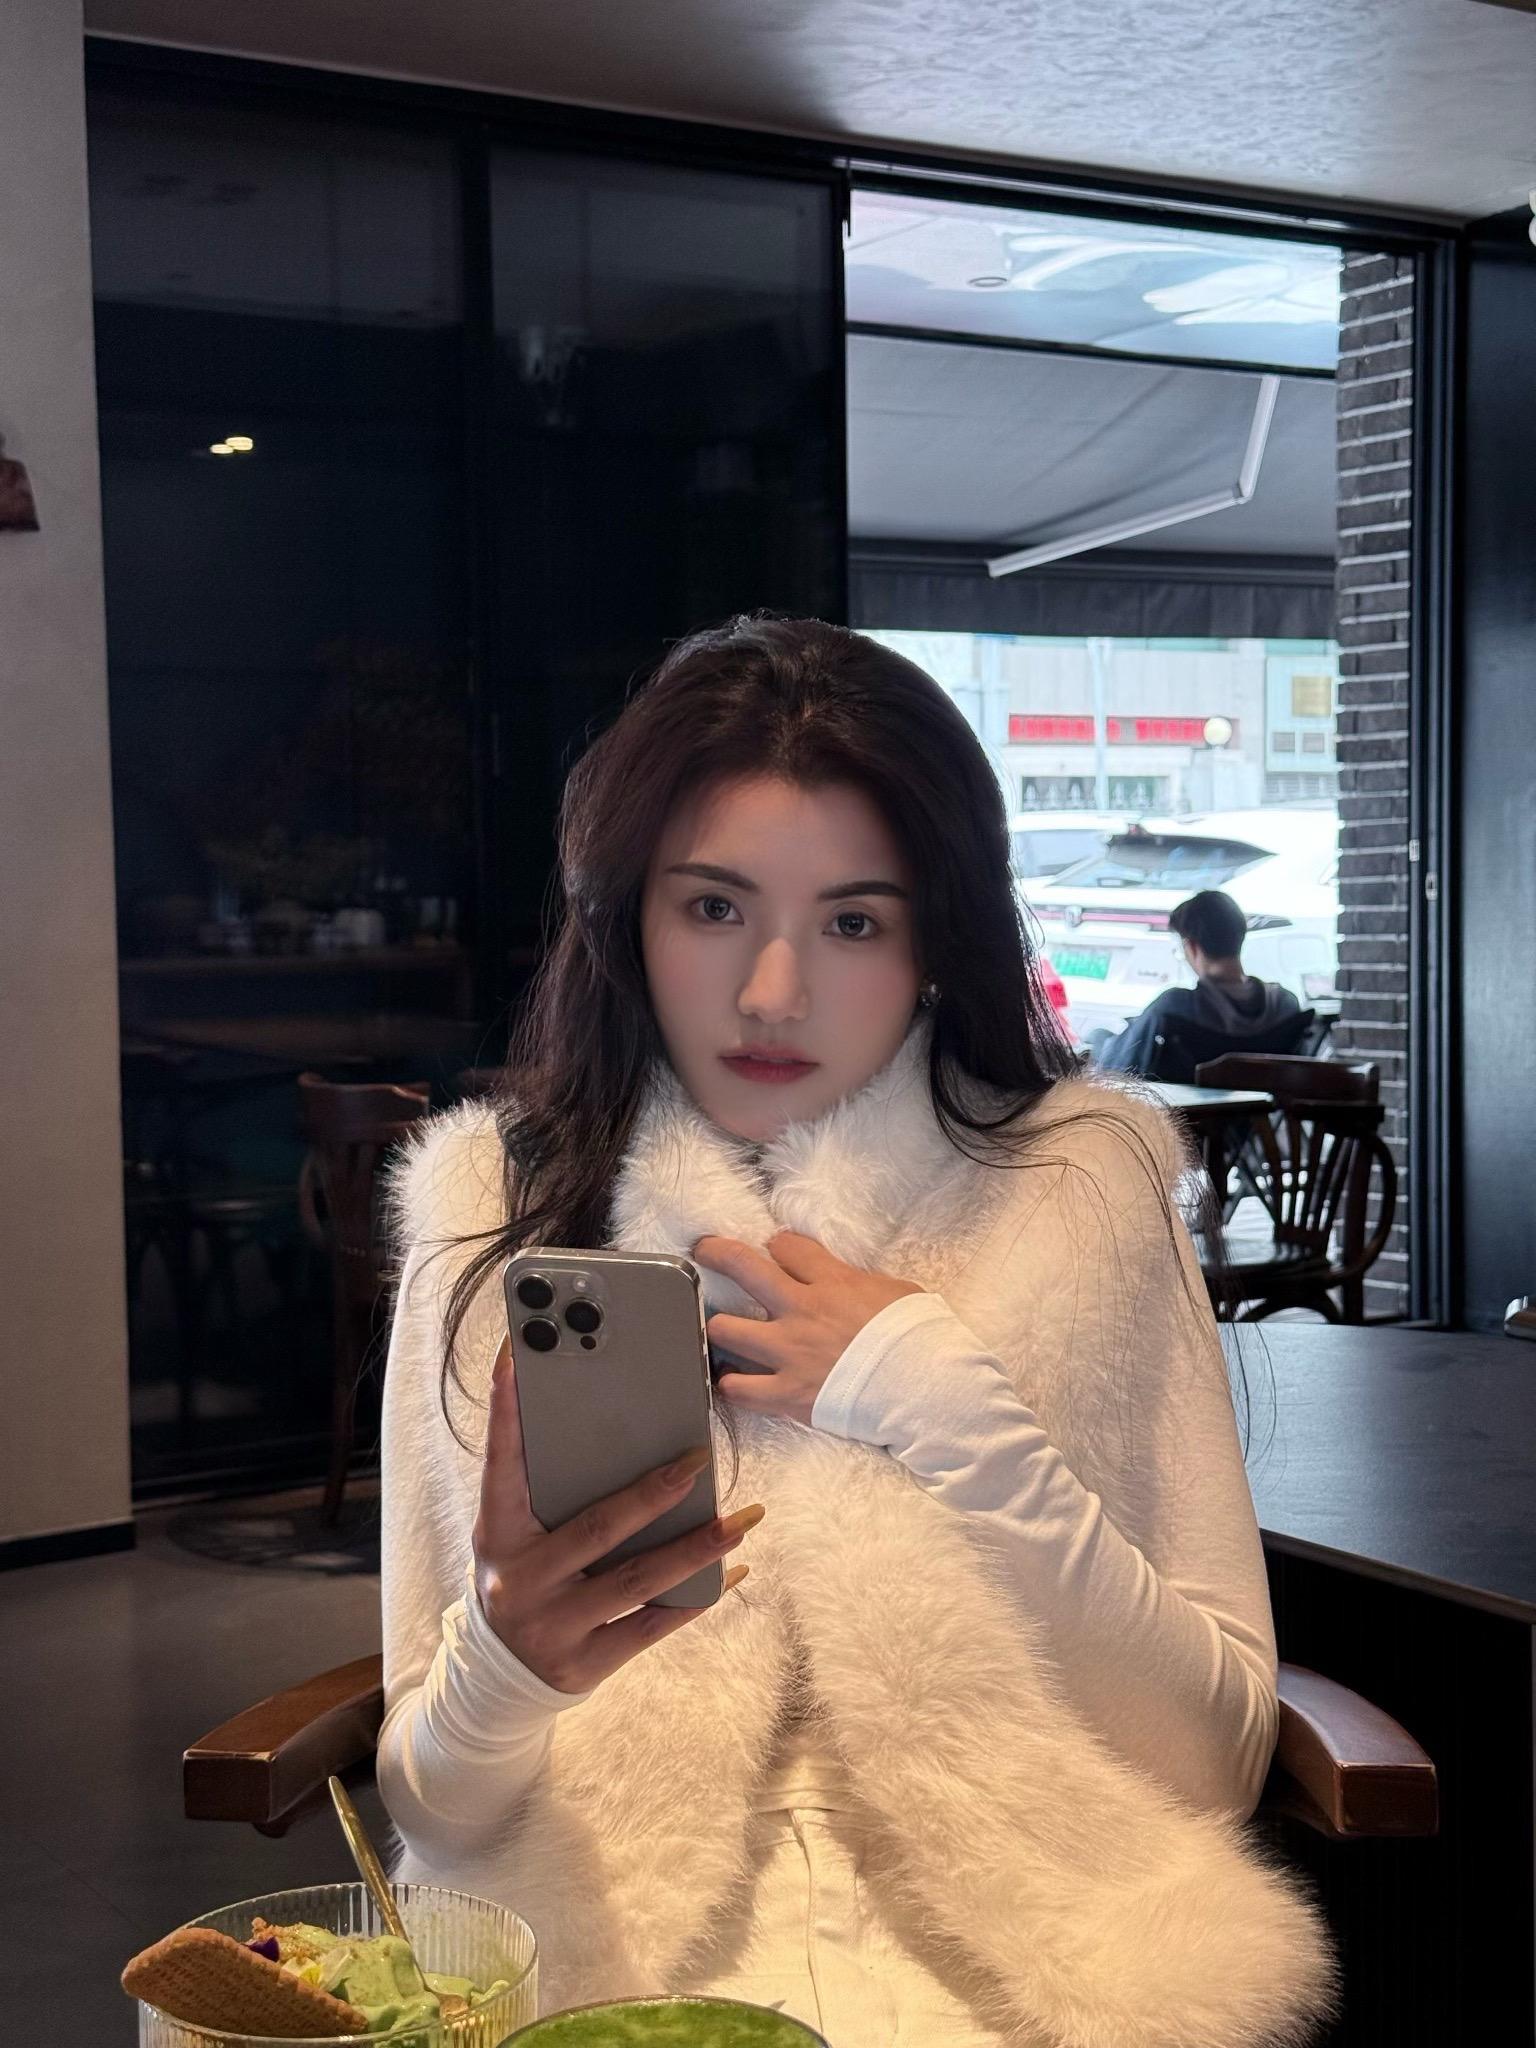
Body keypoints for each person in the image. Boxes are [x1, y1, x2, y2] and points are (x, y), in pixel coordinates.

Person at [376, 618, 1338, 2048]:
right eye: (714, 907)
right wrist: (507, 1665)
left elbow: (1212, 1761)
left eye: (853, 922)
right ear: (627, 917)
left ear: (938, 938)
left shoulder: (1078, 1186)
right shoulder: (493, 1203)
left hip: (1032, 1978)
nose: (773, 992)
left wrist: (950, 1411)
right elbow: (431, 1811)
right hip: (606, 1981)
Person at [1088, 887, 1303, 1076]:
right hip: (1266, 1110)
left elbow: (1118, 1064)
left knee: (1097, 1038)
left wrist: (1096, 1040)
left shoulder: (1175, 1007)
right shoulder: (1286, 1005)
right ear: (1241, 936)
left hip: (1188, 1110)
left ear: (1191, 947)